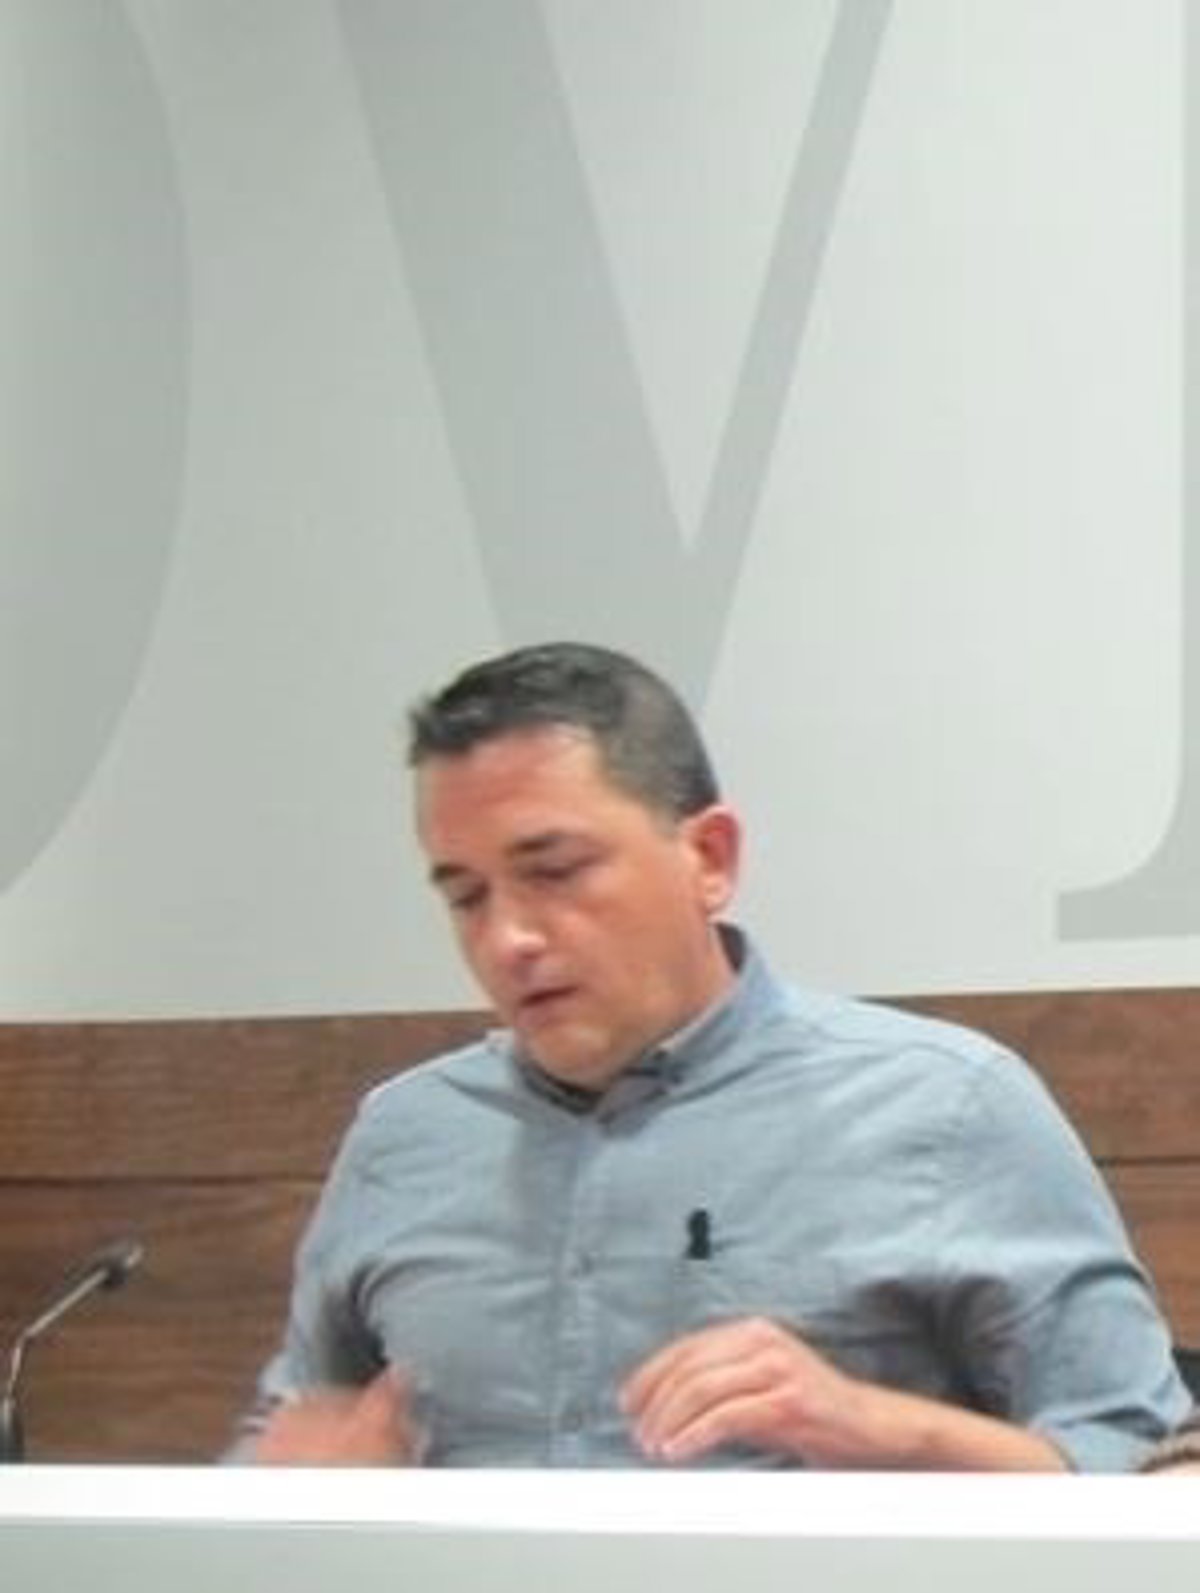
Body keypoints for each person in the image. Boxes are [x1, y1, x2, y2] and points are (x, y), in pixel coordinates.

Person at [237, 641, 1190, 1471]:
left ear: (711, 858)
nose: (508, 938)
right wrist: (285, 1485)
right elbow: (292, 1436)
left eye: (554, 872)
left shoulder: (948, 1109)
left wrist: (878, 1428)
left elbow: (1145, 1470)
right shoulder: (404, 1137)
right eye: (465, 896)